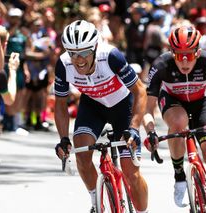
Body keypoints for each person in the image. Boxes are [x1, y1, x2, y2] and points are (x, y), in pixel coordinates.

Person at [54, 20, 148, 213]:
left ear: (95, 47)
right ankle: (96, 200)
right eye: (73, 53)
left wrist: (134, 128)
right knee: (81, 149)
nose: (78, 60)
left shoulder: (110, 56)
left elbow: (140, 91)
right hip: (93, 105)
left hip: (123, 106)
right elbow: (60, 104)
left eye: (84, 53)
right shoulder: (63, 64)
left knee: (131, 171)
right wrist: (63, 138)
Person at [143, 25, 206, 212]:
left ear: (198, 52)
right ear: (171, 52)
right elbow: (148, 110)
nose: (184, 61)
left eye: (189, 55)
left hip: (203, 103)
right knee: (178, 121)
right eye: (178, 55)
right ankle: (179, 175)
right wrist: (151, 132)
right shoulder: (160, 65)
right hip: (173, 102)